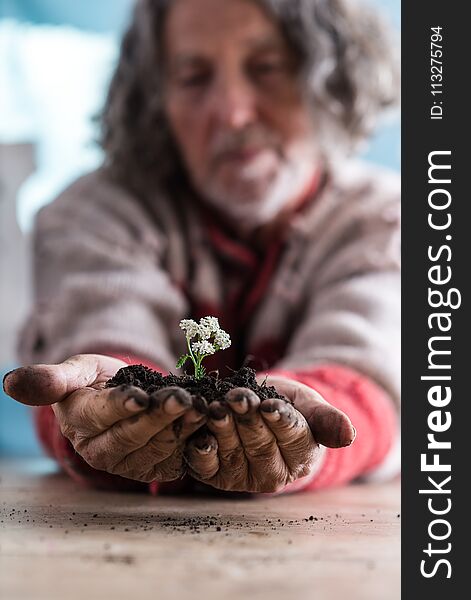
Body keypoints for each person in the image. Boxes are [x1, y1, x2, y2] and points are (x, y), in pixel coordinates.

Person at [3, 0, 400, 495]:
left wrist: (309, 430)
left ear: (330, 80)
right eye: (193, 77)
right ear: (156, 100)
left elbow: (372, 372)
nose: (232, 113)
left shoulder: (390, 221)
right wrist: (107, 401)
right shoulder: (92, 213)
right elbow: (100, 334)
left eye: (268, 68)